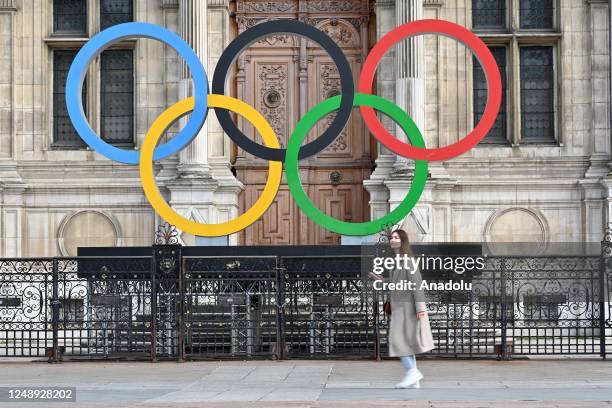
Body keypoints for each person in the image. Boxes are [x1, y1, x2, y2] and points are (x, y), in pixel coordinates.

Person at [385, 229, 434, 389]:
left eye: (396, 237)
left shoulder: (408, 261)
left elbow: (417, 285)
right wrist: (383, 280)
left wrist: (420, 308)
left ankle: (412, 372)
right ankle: (413, 377)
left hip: (408, 308)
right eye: (392, 237)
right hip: (399, 307)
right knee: (405, 342)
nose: (393, 240)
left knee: (398, 341)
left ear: (403, 240)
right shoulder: (396, 261)